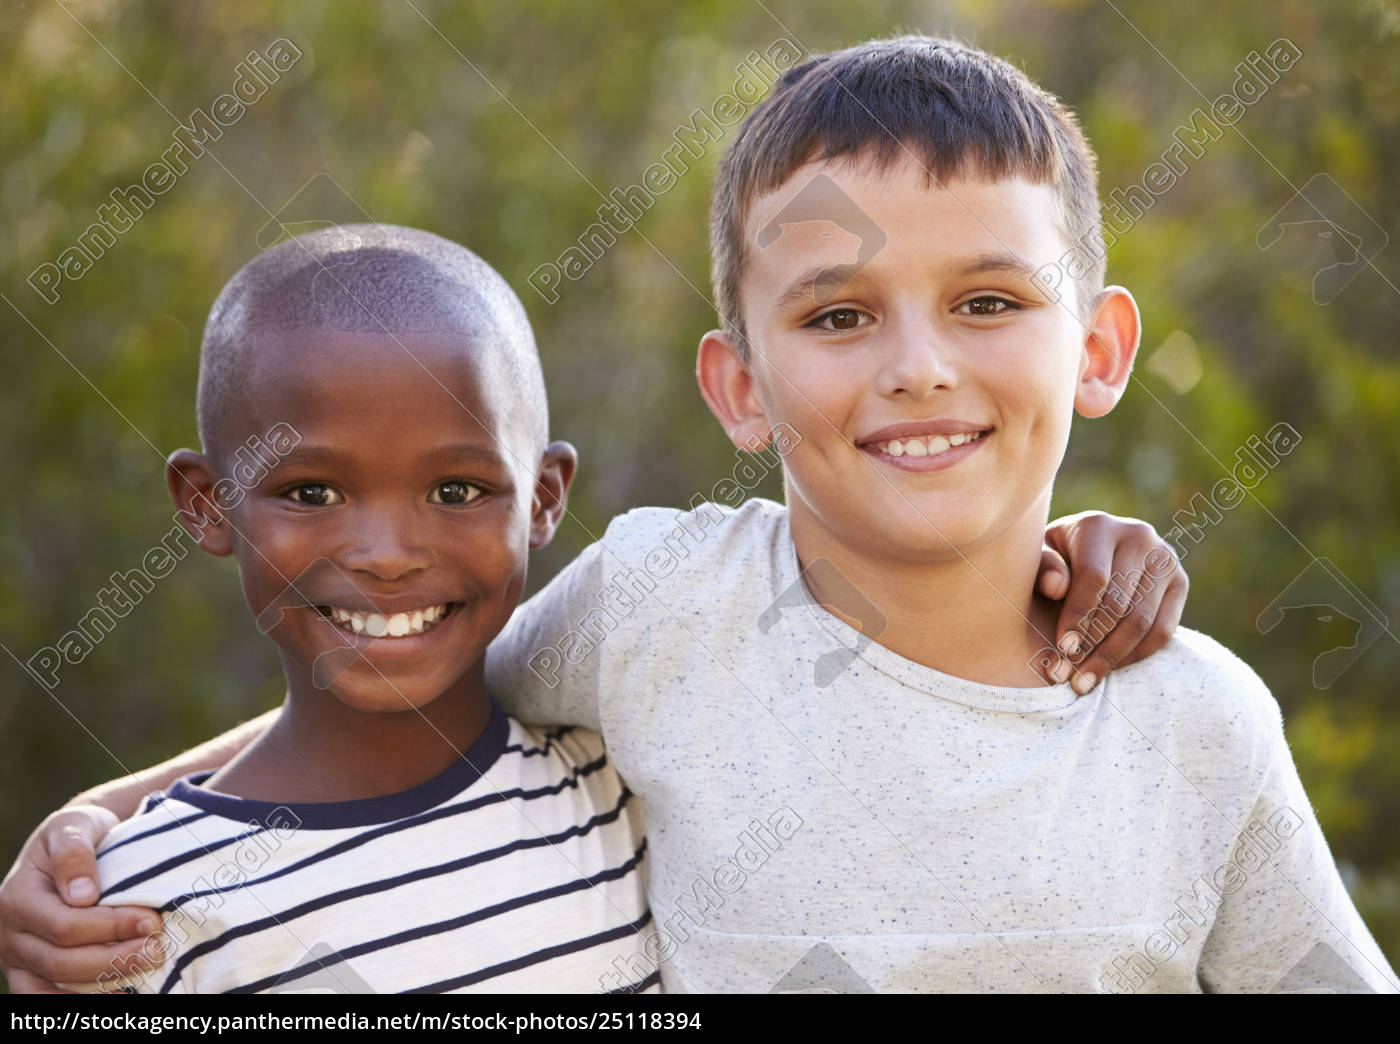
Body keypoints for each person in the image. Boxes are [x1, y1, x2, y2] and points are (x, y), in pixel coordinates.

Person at [0, 39, 1207, 993]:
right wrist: (101, 811)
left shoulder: (1188, 721)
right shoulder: (656, 616)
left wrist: (1080, 552)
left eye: (986, 300)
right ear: (738, 388)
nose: (919, 369)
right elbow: (413, 675)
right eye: (838, 316)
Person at [41, 225, 655, 993]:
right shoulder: (136, 911)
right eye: (311, 493)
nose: (387, 554)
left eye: (457, 491)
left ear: (542, 497)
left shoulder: (625, 785)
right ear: (207, 506)